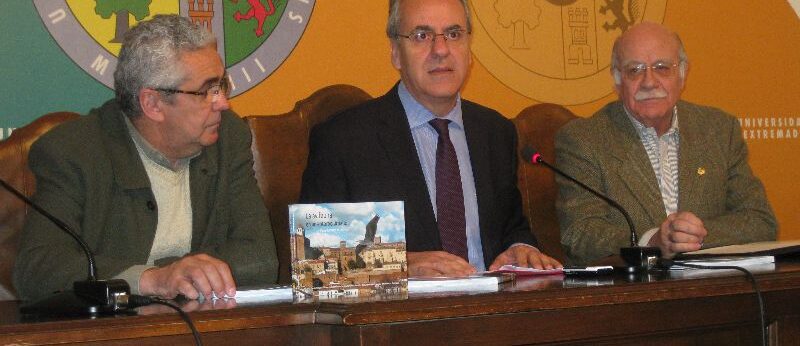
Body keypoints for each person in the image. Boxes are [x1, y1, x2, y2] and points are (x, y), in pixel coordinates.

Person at [13, 15, 278, 301]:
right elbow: (37, 271)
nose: (223, 103)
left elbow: (261, 258)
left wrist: (177, 274)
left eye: (221, 86)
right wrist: (150, 279)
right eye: (206, 91)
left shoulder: (228, 137)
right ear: (152, 103)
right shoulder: (73, 151)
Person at [300, 0, 561, 277]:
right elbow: (314, 261)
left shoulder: (495, 133)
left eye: (454, 34)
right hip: (403, 317)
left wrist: (520, 247)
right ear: (396, 52)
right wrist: (399, 265)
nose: (441, 50)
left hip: (492, 312)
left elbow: (511, 227)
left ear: (469, 48)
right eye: (421, 36)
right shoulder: (345, 141)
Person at [555, 22, 777, 265]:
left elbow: (760, 221)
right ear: (617, 80)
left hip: (714, 289)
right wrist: (651, 242)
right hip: (634, 294)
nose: (649, 82)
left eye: (662, 68)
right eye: (634, 70)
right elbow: (579, 234)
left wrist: (691, 236)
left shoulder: (719, 130)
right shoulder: (584, 140)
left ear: (682, 74)